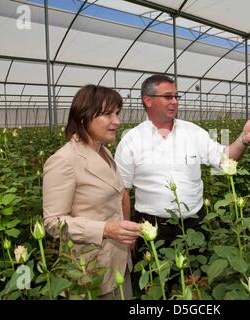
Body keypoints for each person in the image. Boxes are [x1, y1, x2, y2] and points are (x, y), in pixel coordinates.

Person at [114, 74, 250, 247]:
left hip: (194, 225)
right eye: (168, 96)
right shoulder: (131, 140)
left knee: (197, 273)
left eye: (176, 96)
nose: (175, 101)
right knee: (156, 273)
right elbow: (123, 191)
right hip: (151, 228)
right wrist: (129, 235)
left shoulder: (193, 132)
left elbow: (223, 161)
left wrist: (244, 139)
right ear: (148, 100)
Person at [42, 84, 142, 299]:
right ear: (83, 117)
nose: (116, 121)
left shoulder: (104, 152)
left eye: (117, 113)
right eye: (107, 114)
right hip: (89, 270)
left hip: (117, 260)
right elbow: (53, 223)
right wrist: (106, 229)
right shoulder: (64, 160)